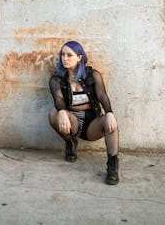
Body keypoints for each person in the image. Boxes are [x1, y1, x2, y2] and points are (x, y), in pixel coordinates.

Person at [48, 40, 119, 185]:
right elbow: (58, 98)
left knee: (110, 122)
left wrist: (110, 113)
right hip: (71, 121)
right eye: (62, 54)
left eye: (69, 55)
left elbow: (102, 96)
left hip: (91, 124)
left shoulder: (93, 75)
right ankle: (70, 142)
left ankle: (112, 165)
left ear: (80, 57)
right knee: (53, 113)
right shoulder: (57, 79)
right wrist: (61, 111)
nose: (64, 58)